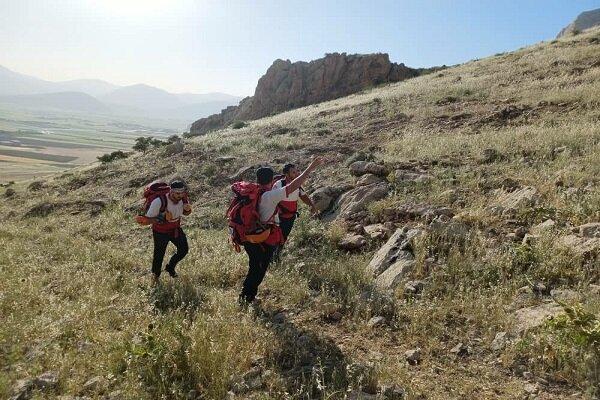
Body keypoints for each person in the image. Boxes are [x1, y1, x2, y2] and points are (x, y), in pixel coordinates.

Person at [240, 157, 324, 304]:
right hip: (261, 238)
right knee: (259, 268)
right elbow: (295, 185)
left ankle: (247, 296)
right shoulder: (271, 195)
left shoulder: (253, 192)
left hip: (249, 236)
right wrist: (310, 167)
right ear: (272, 180)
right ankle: (246, 298)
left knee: (255, 267)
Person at [136, 180, 192, 284]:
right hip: (160, 232)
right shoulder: (159, 201)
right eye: (177, 193)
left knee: (183, 250)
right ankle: (155, 278)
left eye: (182, 193)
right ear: (171, 191)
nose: (180, 195)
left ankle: (170, 267)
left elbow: (185, 212)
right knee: (159, 255)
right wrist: (162, 218)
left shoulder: (183, 198)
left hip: (175, 229)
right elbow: (146, 220)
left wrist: (188, 210)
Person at [273, 163, 318, 242]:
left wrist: (312, 206)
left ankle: (278, 250)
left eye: (297, 171)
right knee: (277, 237)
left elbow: (303, 196)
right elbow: (273, 200)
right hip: (279, 217)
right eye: (293, 172)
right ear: (286, 174)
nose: (297, 174)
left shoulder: (297, 185)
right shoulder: (279, 184)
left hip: (290, 217)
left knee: (284, 237)